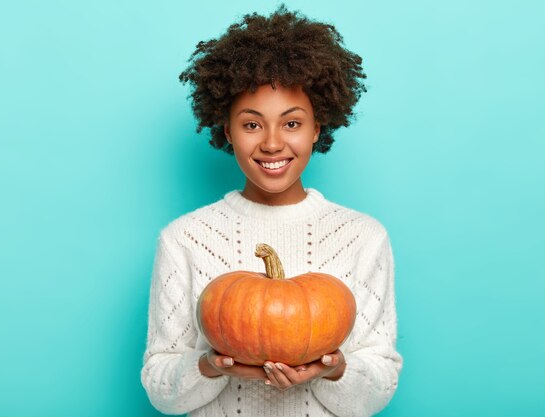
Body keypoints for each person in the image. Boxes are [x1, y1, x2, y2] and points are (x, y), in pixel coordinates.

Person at [141, 5, 403, 416]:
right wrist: (210, 367)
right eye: (251, 125)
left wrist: (332, 371)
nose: (272, 143)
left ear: (318, 126)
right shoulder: (183, 238)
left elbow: (380, 383)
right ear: (227, 130)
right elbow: (160, 388)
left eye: (292, 123)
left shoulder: (363, 237)